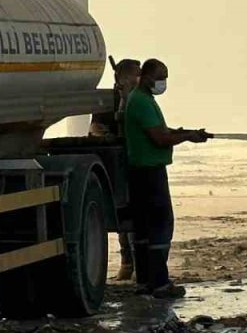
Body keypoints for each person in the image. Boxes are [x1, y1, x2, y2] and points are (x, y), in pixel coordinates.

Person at [123, 58, 211, 299]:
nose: (163, 83)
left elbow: (160, 131)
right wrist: (186, 137)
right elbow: (159, 139)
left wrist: (184, 133)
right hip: (150, 172)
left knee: (143, 230)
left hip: (140, 172)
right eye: (161, 77)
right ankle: (160, 284)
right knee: (160, 226)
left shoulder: (142, 100)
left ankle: (145, 282)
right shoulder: (141, 102)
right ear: (148, 76)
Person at [89, 58, 141, 280]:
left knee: (135, 217)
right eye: (134, 75)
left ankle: (137, 264)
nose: (138, 79)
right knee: (124, 217)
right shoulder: (107, 100)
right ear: (120, 77)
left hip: (136, 161)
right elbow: (95, 127)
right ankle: (127, 263)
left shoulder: (138, 99)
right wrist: (107, 136)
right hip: (115, 163)